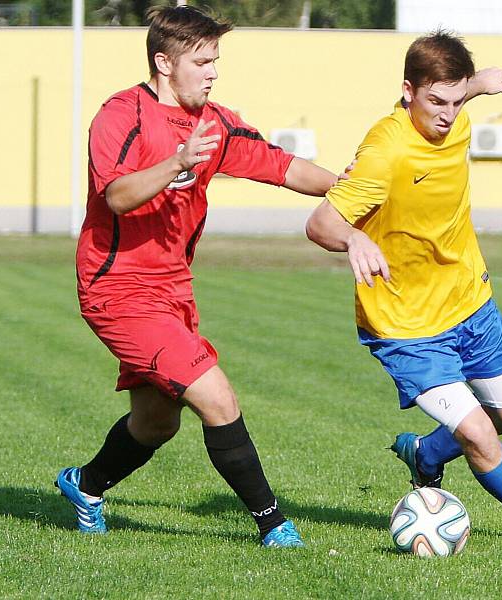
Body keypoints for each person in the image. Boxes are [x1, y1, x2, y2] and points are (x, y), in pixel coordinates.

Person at [55, 5, 338, 547]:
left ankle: (85, 486)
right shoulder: (122, 114)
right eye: (202, 61)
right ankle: (275, 524)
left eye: (215, 61)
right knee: (217, 398)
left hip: (174, 290)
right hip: (117, 289)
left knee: (157, 422)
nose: (213, 72)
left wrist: (349, 187)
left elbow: (284, 166)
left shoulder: (216, 121)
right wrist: (177, 163)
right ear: (164, 62)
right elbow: (115, 195)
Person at [305, 31, 502, 544]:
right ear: (407, 91)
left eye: (456, 101)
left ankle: (426, 452)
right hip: (406, 325)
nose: (448, 114)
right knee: (477, 432)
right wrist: (354, 239)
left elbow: (452, 94)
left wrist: (477, 84)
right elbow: (320, 223)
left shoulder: (456, 115)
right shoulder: (384, 152)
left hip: (469, 302)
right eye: (436, 101)